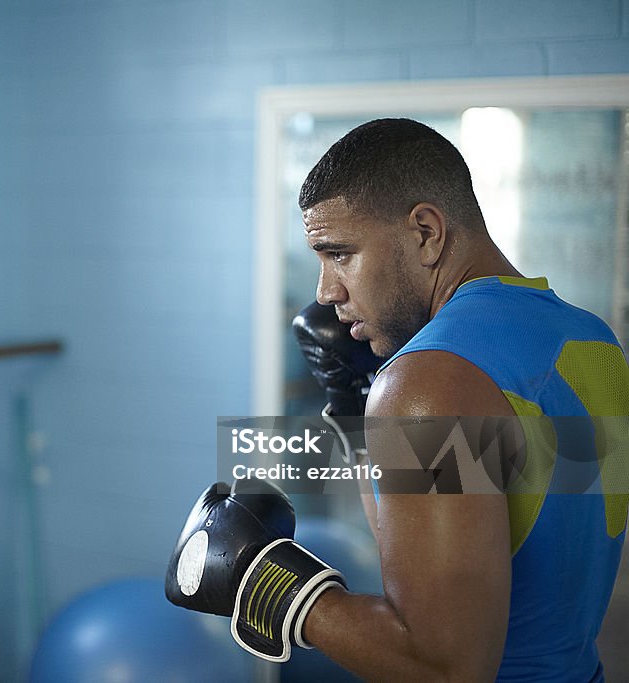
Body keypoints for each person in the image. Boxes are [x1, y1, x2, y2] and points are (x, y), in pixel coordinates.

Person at [166, 118, 628, 681]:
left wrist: (269, 584)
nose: (326, 291)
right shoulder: (591, 339)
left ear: (426, 232)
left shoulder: (429, 380)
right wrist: (361, 404)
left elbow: (445, 668)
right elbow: (428, 555)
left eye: (340, 253)